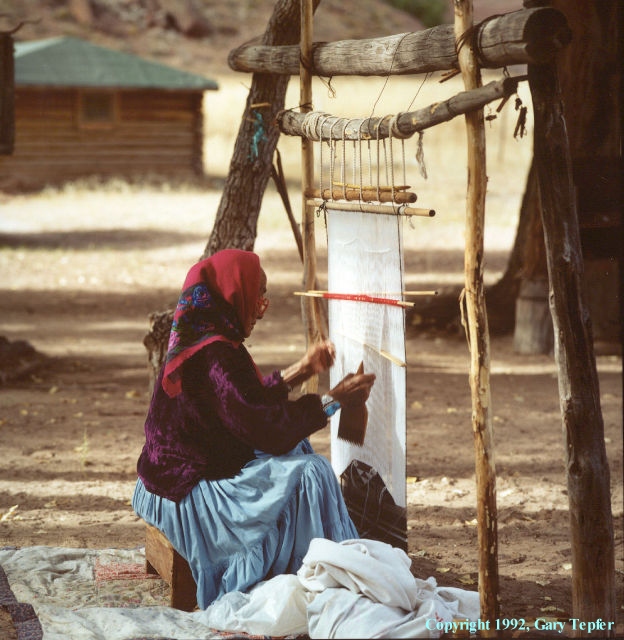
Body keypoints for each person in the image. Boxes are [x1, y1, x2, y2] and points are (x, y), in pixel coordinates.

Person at [132, 248, 375, 609]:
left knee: (299, 452)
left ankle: (323, 556)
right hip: (189, 495)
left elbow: (240, 400)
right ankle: (322, 574)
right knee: (312, 472)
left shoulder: (200, 338)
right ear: (233, 293)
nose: (262, 307)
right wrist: (334, 400)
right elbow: (266, 428)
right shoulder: (216, 356)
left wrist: (304, 369)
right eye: (257, 294)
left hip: (159, 485)